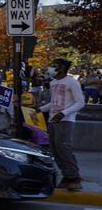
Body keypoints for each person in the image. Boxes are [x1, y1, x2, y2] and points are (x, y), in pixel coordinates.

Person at [39, 58, 85, 191]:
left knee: (64, 147)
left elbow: (80, 102)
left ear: (63, 68)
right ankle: (67, 176)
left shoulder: (72, 82)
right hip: (53, 119)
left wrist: (64, 113)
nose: (51, 68)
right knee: (54, 149)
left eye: (54, 66)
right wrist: (41, 109)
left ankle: (75, 178)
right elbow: (54, 103)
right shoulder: (53, 83)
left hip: (65, 120)